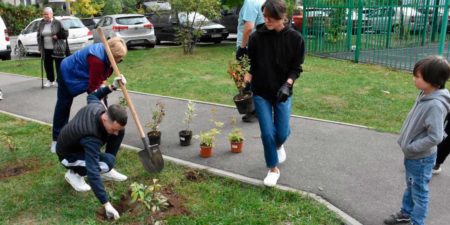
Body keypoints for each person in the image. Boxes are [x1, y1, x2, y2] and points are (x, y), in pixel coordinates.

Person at [384, 55, 450, 225]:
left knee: (419, 192)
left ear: (433, 81)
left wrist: (413, 147)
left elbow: (436, 136)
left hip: (420, 158)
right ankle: (406, 213)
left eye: (418, 76)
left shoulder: (435, 105)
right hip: (414, 156)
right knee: (412, 187)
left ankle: (417, 222)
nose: (414, 78)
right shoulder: (425, 94)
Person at [247, 0, 305, 187]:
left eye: (270, 18)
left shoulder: (296, 39)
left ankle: (279, 145)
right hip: (261, 91)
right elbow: (253, 65)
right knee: (267, 133)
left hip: (282, 92)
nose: (266, 21)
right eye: (264, 17)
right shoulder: (256, 37)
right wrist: (246, 79)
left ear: (282, 17)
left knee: (280, 133)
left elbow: (296, 68)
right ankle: (273, 168)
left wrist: (287, 85)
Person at [56, 81, 127, 220]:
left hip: (77, 145)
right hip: (68, 155)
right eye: (113, 128)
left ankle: (107, 169)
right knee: (105, 163)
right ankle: (73, 174)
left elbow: (93, 96)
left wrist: (112, 86)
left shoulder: (97, 107)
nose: (115, 133)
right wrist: (106, 204)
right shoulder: (91, 137)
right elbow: (93, 171)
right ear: (105, 118)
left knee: (121, 132)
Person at [50, 37, 127, 153]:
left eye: (121, 59)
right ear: (111, 54)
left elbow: (101, 79)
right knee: (64, 105)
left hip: (85, 74)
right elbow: (93, 90)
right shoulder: (97, 60)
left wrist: (109, 88)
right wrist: (105, 111)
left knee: (102, 102)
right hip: (68, 73)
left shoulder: (107, 57)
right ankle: (56, 140)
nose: (119, 61)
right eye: (118, 59)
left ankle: (105, 136)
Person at [235, 0, 265, 123]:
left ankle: (252, 111)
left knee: (247, 79)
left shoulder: (250, 2)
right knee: (257, 77)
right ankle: (260, 110)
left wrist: (242, 47)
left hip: (248, 47)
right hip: (259, 46)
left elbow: (248, 27)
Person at [37, 7, 68, 88]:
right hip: (46, 48)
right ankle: (50, 80)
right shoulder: (41, 23)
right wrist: (40, 47)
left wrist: (57, 36)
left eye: (47, 14)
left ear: (51, 14)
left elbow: (65, 33)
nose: (45, 16)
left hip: (57, 48)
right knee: (47, 65)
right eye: (44, 14)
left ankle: (59, 81)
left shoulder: (57, 22)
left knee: (59, 65)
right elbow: (38, 35)